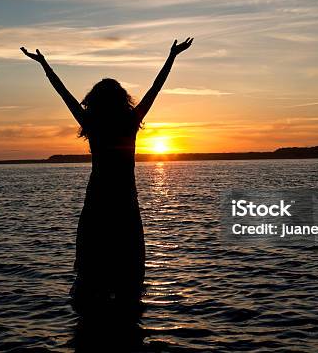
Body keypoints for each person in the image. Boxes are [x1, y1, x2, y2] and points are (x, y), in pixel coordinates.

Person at [20, 38, 193, 313]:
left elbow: (63, 92)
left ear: (95, 101)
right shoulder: (130, 121)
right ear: (121, 100)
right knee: (129, 265)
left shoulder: (92, 122)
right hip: (125, 201)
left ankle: (92, 308)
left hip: (98, 200)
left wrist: (44, 64)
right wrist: (172, 56)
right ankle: (126, 308)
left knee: (92, 264)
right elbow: (154, 89)